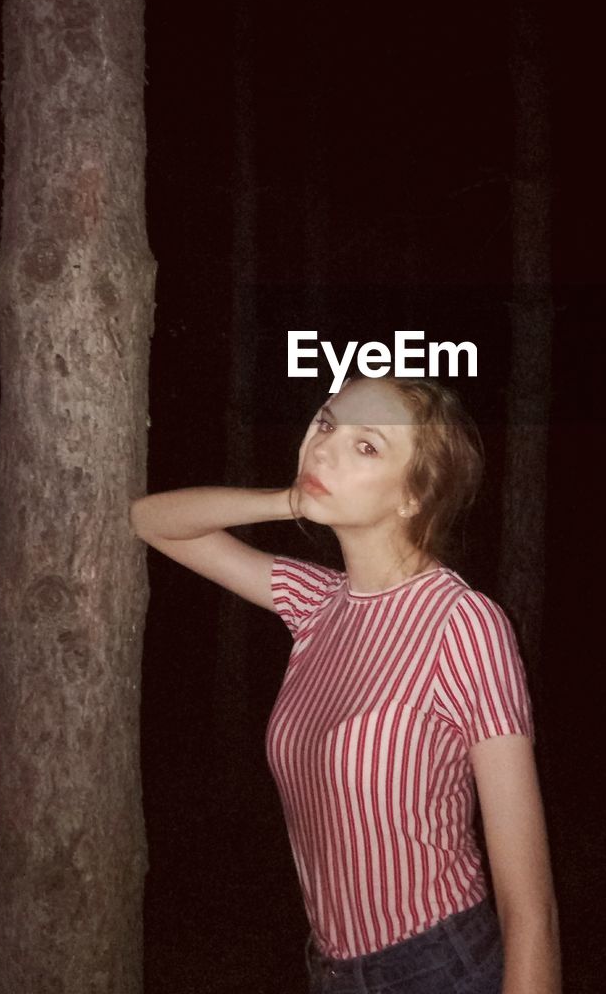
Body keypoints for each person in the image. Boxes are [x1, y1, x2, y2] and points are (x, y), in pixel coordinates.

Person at [130, 374, 561, 993]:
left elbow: (529, 907)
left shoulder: (462, 624)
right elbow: (152, 520)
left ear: (414, 496)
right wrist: (289, 498)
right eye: (328, 425)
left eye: (368, 446)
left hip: (436, 969)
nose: (325, 448)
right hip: (329, 970)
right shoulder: (316, 602)